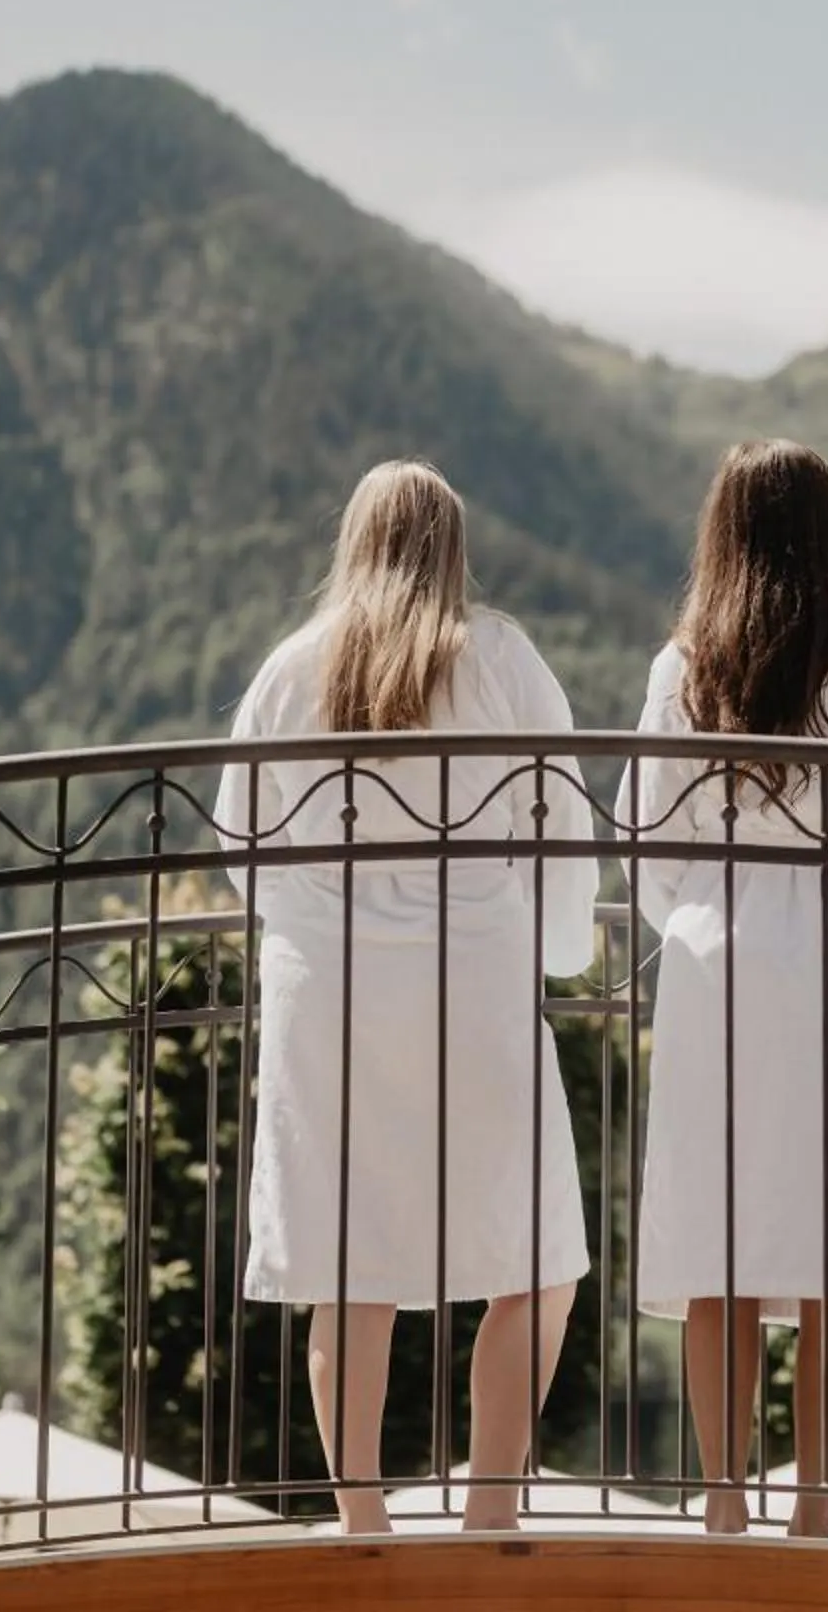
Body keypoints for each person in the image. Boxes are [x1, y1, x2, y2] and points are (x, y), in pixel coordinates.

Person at [215, 461, 596, 1534]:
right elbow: (562, 821)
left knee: (350, 1263)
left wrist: (316, 926)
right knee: (538, 1255)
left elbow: (242, 840)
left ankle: (363, 1521)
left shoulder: (292, 668)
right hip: (472, 978)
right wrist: (558, 945)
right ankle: (489, 1510)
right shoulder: (502, 658)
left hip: (330, 994)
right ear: (453, 548)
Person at [625, 439, 828, 1538]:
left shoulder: (690, 665)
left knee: (720, 1241)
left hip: (725, 954)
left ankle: (723, 1497)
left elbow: (651, 837)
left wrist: (706, 912)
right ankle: (817, 1505)